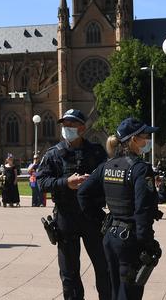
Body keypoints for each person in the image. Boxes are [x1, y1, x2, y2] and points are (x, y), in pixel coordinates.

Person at [78, 117, 161, 300]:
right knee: (130, 293)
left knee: (115, 290)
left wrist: (102, 220)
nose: (148, 140)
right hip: (130, 241)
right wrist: (147, 243)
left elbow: (83, 193)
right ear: (133, 140)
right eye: (145, 136)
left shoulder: (106, 166)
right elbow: (142, 209)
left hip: (111, 237)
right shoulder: (140, 169)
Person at [37, 108, 110, 300]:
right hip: (66, 218)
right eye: (64, 124)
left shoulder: (96, 152)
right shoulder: (53, 154)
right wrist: (65, 183)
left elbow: (108, 180)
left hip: (93, 217)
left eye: (71, 124)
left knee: (105, 268)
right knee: (69, 273)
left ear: (82, 128)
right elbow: (41, 183)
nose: (66, 128)